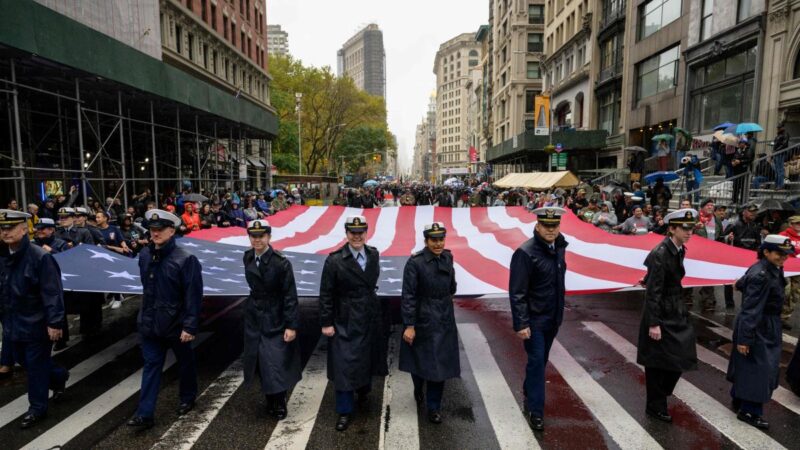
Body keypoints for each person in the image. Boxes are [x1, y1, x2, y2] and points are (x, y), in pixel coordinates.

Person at [126, 209, 203, 429]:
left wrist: (190, 325)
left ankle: (188, 397)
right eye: (152, 230)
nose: (155, 234)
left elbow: (193, 295)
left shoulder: (186, 259)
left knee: (185, 362)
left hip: (176, 325)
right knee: (151, 365)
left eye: (160, 230)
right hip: (150, 323)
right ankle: (145, 414)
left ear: (172, 231)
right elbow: (146, 288)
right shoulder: (145, 255)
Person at [0, 209, 69, 428]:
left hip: (36, 322)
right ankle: (59, 376)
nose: (6, 232)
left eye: (10, 228)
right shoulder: (2, 256)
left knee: (36, 366)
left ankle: (37, 408)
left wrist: (55, 322)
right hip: (12, 321)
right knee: (26, 361)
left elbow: (52, 291)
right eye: (2, 228)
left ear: (24, 229)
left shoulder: (40, 257)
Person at [319, 215, 387, 432]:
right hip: (344, 318)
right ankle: (344, 410)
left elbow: (372, 282)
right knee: (343, 365)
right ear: (346, 234)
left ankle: (363, 392)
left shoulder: (373, 255)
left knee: (367, 358)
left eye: (360, 233)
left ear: (366, 233)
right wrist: (326, 322)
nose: (357, 237)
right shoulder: (334, 260)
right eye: (352, 233)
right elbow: (326, 293)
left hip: (369, 315)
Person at [509, 207, 568, 431]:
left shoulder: (560, 248)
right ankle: (536, 411)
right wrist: (521, 323)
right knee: (536, 363)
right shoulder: (525, 253)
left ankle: (528, 389)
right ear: (537, 226)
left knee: (540, 361)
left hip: (553, 318)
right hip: (534, 320)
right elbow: (517, 291)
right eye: (546, 226)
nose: (551, 230)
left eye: (554, 226)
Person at [637, 208, 698, 423]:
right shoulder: (661, 253)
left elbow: (658, 278)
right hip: (661, 311)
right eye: (684, 228)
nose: (689, 232)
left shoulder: (679, 249)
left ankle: (660, 397)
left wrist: (647, 278)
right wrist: (653, 323)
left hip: (675, 308)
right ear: (672, 229)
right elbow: (654, 291)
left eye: (691, 228)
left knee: (681, 356)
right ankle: (656, 405)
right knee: (657, 362)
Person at [727, 235, 793, 429]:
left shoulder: (768, 268)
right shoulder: (763, 274)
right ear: (766, 252)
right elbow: (751, 308)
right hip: (759, 323)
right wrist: (744, 339)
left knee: (751, 365)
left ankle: (739, 398)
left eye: (786, 254)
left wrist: (739, 285)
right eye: (779, 253)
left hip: (764, 322)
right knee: (761, 369)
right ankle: (750, 411)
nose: (783, 258)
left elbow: (742, 282)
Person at [242, 219, 302, 420]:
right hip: (254, 315)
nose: (257, 240)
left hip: (275, 315)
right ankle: (270, 398)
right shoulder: (248, 257)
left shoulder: (280, 262)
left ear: (269, 237)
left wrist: (291, 325)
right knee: (258, 360)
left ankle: (279, 401)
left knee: (274, 361)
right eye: (253, 236)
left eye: (261, 236)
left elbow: (290, 295)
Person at [400, 222, 458, 424]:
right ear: (426, 241)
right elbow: (408, 295)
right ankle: (418, 387)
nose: (438, 243)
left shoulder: (448, 257)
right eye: (434, 240)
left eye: (441, 239)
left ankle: (434, 407)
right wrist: (409, 325)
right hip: (423, 316)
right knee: (421, 362)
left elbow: (452, 286)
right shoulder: (415, 263)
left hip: (443, 317)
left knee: (439, 364)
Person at [724, 203, 762, 308]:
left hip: (750, 258)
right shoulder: (734, 225)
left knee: (748, 280)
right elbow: (721, 238)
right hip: (734, 258)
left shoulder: (755, 226)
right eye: (750, 211)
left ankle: (745, 304)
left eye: (755, 212)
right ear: (744, 212)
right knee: (729, 280)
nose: (753, 214)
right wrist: (728, 238)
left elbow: (758, 243)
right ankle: (729, 304)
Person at [695, 199, 725, 311]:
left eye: (712, 206)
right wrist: (694, 228)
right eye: (708, 205)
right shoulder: (695, 218)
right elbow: (686, 232)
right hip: (697, 252)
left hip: (711, 252)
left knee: (709, 274)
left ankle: (708, 299)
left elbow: (721, 236)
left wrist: (727, 238)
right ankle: (686, 295)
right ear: (702, 207)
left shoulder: (716, 220)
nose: (710, 207)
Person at [779, 215, 800, 330]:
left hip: (798, 269)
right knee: (785, 292)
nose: (799, 226)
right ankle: (776, 315)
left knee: (795, 294)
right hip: (785, 268)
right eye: (797, 223)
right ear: (791, 224)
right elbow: (780, 249)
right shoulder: (783, 235)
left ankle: (784, 317)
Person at [731, 138, 754, 205]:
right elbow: (734, 157)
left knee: (743, 187)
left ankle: (742, 201)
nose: (739, 144)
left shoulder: (749, 150)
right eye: (739, 143)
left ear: (744, 143)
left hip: (744, 172)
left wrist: (740, 161)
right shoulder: (738, 150)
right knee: (735, 187)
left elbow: (749, 159)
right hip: (737, 172)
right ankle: (734, 200)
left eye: (741, 143)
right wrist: (733, 162)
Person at [773, 122, 791, 190]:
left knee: (780, 170)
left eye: (779, 128)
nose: (778, 129)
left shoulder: (785, 134)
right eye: (778, 128)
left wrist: (777, 150)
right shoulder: (778, 135)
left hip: (780, 153)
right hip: (776, 153)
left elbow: (784, 144)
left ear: (782, 128)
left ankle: (780, 185)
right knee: (777, 170)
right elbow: (776, 144)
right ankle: (777, 184)